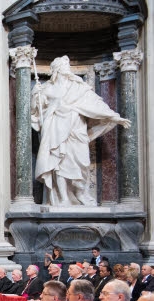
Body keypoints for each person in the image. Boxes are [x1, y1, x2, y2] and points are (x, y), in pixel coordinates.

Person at [31, 55, 130, 206]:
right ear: (57, 69)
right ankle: (63, 199)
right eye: (64, 65)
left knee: (81, 162)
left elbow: (95, 104)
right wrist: (34, 96)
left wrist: (113, 116)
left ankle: (81, 193)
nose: (67, 67)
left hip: (77, 129)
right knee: (58, 163)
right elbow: (35, 112)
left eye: (68, 65)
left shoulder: (79, 87)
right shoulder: (46, 89)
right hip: (55, 129)